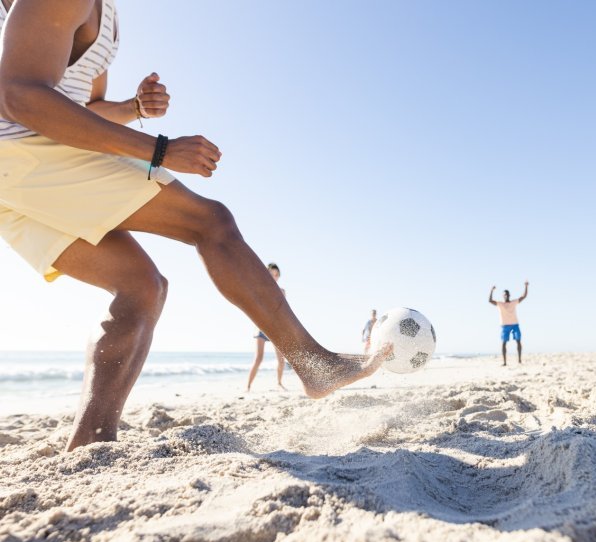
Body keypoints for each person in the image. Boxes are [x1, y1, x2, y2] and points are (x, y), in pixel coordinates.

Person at [0, 0, 389, 451]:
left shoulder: (103, 15)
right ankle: (313, 363)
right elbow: (20, 97)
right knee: (211, 222)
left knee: (141, 287)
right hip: (23, 153)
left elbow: (84, 109)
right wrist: (159, 150)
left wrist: (133, 107)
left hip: (18, 172)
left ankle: (91, 445)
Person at [247, 263, 287, 391]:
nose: (274, 277)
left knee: (281, 359)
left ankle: (279, 383)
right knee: (258, 358)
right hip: (262, 326)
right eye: (271, 274)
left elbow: (283, 311)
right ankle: (248, 386)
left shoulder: (282, 291)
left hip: (276, 328)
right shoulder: (260, 289)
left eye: (276, 274)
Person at [488, 282, 528, 366]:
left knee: (518, 341)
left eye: (507, 294)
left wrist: (526, 286)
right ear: (503, 296)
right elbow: (490, 301)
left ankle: (519, 360)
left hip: (515, 324)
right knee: (504, 343)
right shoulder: (500, 304)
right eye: (504, 295)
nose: (505, 296)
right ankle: (504, 362)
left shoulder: (514, 302)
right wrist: (491, 290)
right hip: (504, 326)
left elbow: (523, 296)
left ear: (509, 295)